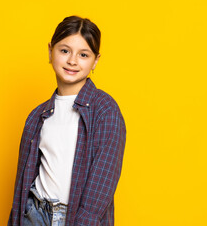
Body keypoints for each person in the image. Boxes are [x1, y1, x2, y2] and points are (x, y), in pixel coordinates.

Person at [8, 15, 126, 226]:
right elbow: (22, 182)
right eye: (64, 51)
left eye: (83, 54)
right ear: (50, 51)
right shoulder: (38, 115)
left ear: (95, 61)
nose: (72, 60)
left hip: (74, 218)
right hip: (34, 214)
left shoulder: (105, 109)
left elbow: (103, 179)